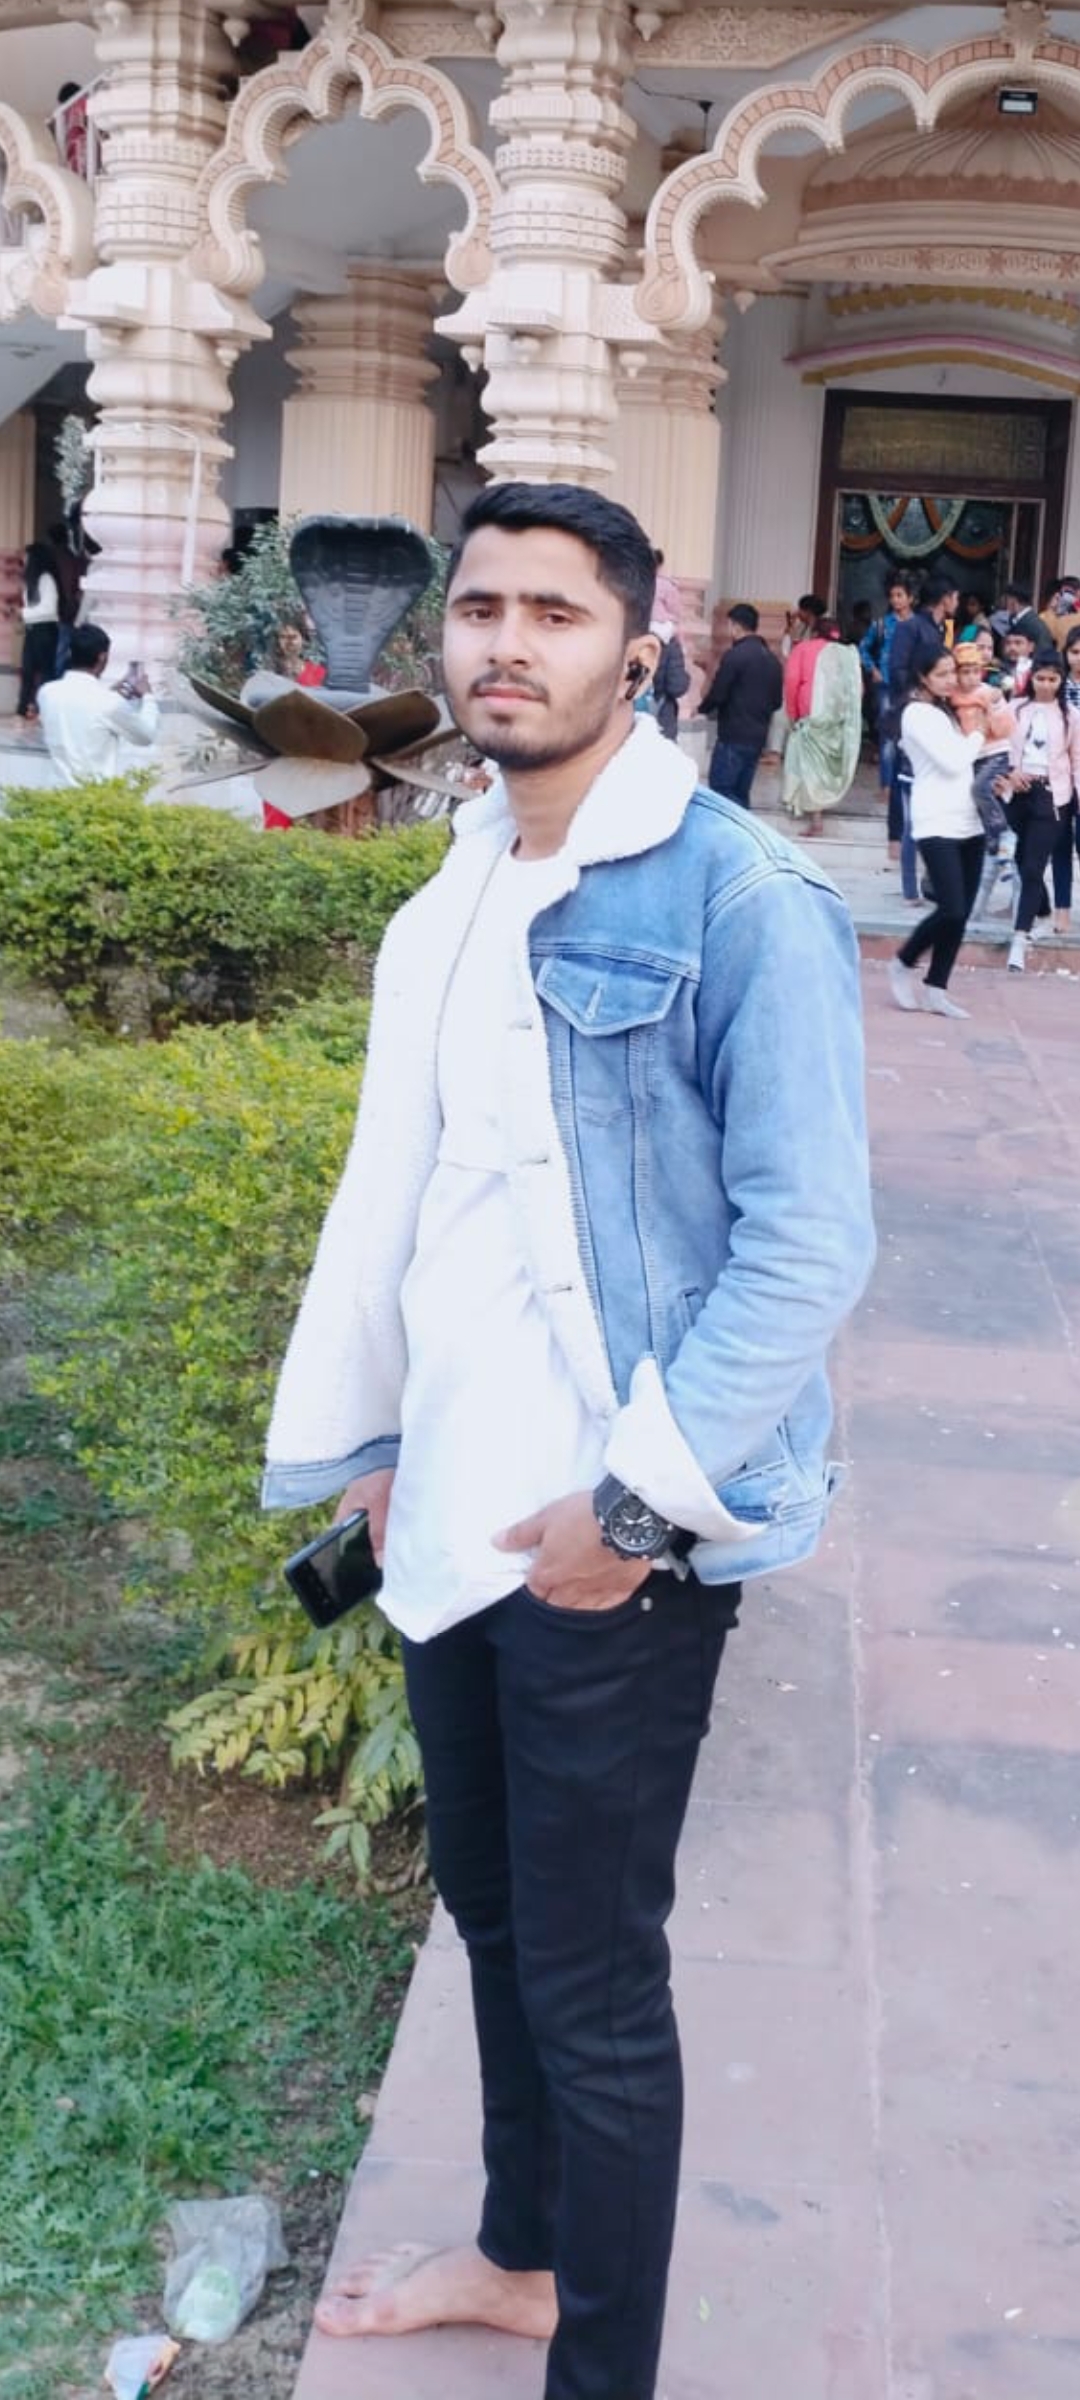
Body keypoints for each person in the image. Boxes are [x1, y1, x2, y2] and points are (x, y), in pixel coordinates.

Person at [262, 481, 876, 2400]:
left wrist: (638, 1506)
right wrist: (377, 1440)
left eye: (555, 612)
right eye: (482, 609)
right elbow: (417, 1200)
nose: (507, 645)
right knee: (498, 1917)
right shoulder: (456, 881)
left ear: (638, 643)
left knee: (596, 1985)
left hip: (612, 1534)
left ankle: (595, 2367)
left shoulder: (739, 898)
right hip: (447, 1507)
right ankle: (522, 2260)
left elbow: (809, 1244)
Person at [889, 649, 985, 1019]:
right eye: (941, 674)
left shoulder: (947, 710)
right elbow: (952, 762)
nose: (950, 680)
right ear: (923, 677)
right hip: (936, 821)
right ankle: (903, 961)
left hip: (969, 820)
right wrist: (978, 734)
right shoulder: (916, 714)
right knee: (951, 907)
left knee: (961, 915)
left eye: (952, 672)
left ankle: (937, 988)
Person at [885, 571, 961, 899]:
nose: (957, 603)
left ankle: (931, 881)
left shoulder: (941, 629)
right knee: (907, 797)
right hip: (913, 710)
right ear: (945, 598)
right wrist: (919, 695)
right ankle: (908, 884)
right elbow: (897, 668)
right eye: (955, 597)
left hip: (935, 710)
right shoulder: (910, 627)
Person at [1003, 650, 1080, 971]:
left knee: (1034, 866)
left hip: (1052, 796)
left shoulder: (1070, 716)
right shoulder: (1015, 708)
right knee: (1022, 861)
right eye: (1040, 678)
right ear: (1031, 677)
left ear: (1060, 680)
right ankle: (1044, 912)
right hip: (1017, 793)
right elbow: (1000, 747)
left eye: (1052, 679)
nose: (1046, 685)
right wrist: (1010, 772)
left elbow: (1076, 761)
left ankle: (1019, 939)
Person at [36, 623, 159, 784]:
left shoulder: (46, 693)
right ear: (102, 657)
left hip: (55, 791)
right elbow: (146, 736)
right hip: (94, 794)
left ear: (70, 653)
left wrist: (109, 693)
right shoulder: (109, 703)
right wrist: (148, 697)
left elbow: (80, 705)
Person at [781, 615, 862, 838]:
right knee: (825, 768)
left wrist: (792, 714)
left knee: (810, 767)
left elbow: (791, 681)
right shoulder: (846, 655)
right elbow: (857, 689)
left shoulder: (803, 649)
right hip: (836, 717)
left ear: (815, 632)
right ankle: (821, 804)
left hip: (810, 713)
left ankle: (815, 818)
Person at [700, 602, 782, 804]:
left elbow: (718, 694)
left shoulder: (735, 656)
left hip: (732, 735)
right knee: (741, 793)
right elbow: (776, 702)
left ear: (735, 626)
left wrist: (702, 709)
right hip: (758, 737)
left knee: (721, 793)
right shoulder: (772, 660)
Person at [860, 571, 916, 804]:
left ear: (910, 598)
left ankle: (908, 785)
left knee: (911, 736)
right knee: (888, 738)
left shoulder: (918, 625)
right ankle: (886, 786)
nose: (895, 600)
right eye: (892, 596)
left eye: (900, 595)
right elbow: (863, 648)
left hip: (912, 688)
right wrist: (872, 669)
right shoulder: (881, 624)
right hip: (886, 686)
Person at [17, 540, 60, 721]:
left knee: (45, 672)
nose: (24, 560)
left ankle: (44, 710)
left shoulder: (46, 579)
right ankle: (23, 709)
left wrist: (23, 613)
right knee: (27, 670)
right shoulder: (31, 581)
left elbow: (49, 609)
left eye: (27, 557)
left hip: (45, 630)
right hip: (33, 629)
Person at [649, 620, 690, 742]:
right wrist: (687, 678)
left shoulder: (635, 635)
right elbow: (676, 687)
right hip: (662, 715)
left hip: (631, 714)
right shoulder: (671, 644)